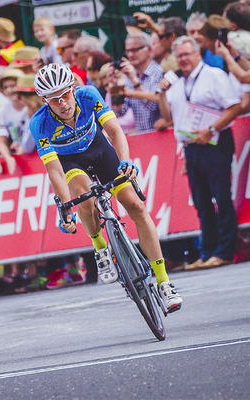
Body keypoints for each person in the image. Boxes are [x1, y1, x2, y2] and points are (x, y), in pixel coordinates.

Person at [30, 63, 182, 312]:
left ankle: (164, 282)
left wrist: (125, 160)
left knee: (136, 206)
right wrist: (65, 206)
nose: (63, 103)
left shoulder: (88, 95)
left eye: (66, 94)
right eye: (54, 100)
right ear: (45, 101)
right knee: (84, 198)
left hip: (99, 149)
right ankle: (100, 247)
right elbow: (55, 170)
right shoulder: (40, 123)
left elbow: (114, 130)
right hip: (70, 161)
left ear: (73, 88)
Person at [157, 36, 242, 270]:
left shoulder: (213, 75)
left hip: (215, 141)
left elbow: (235, 105)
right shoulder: (176, 82)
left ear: (197, 54)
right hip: (191, 146)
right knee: (202, 202)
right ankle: (207, 253)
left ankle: (224, 251)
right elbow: (168, 117)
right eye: (179, 56)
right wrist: (162, 93)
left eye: (187, 54)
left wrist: (212, 128)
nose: (183, 59)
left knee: (221, 197)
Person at [111, 32, 164, 132]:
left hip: (161, 136)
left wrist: (135, 81)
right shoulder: (129, 75)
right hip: (142, 137)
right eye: (127, 51)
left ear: (148, 49)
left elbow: (153, 106)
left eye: (134, 50)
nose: (130, 55)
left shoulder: (158, 72)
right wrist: (115, 87)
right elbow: (120, 112)